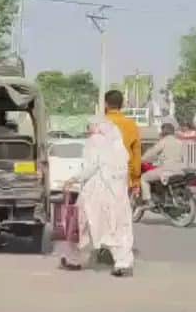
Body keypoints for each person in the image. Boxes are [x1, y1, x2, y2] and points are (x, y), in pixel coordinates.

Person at [59, 116, 135, 277]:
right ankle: (123, 263)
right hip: (117, 194)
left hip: (95, 192)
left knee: (83, 226)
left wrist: (73, 179)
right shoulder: (118, 145)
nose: (88, 130)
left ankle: (75, 259)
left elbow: (91, 166)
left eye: (90, 126)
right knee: (117, 227)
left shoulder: (95, 141)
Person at [103, 90, 142, 191]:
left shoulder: (99, 123)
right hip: (123, 177)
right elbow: (136, 154)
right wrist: (135, 179)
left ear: (105, 104)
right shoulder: (131, 124)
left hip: (102, 178)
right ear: (122, 104)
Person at [140, 122, 185, 204]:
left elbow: (152, 152)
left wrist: (141, 159)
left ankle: (148, 200)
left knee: (143, 178)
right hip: (179, 171)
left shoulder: (163, 141)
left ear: (163, 132)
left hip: (166, 170)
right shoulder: (179, 142)